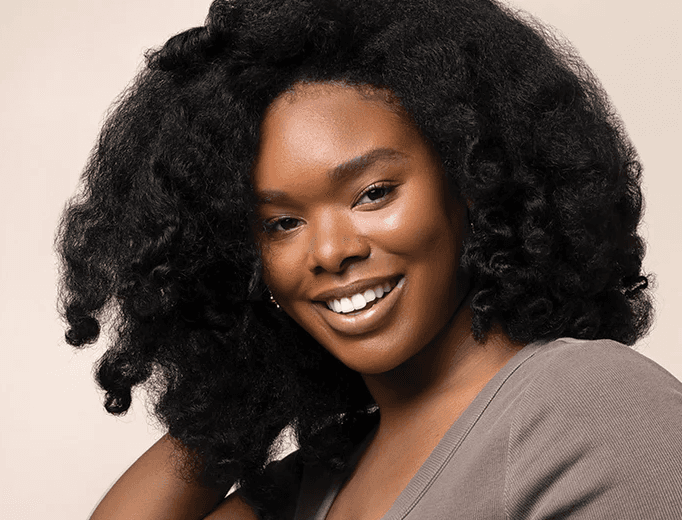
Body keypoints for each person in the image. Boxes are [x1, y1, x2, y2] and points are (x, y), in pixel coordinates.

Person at [57, 0, 682, 518]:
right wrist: (242, 387)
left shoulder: (590, 403)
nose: (331, 252)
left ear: (475, 181)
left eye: (374, 193)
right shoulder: (327, 471)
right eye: (282, 224)